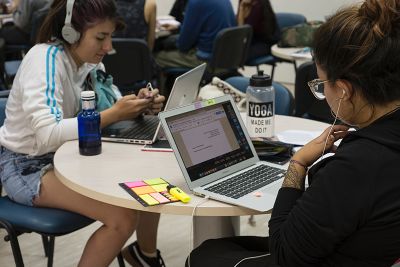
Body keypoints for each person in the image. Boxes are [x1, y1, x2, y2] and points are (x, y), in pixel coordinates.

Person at [186, 0, 400, 266]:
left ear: (344, 90)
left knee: (204, 256)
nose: (322, 94)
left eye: (321, 84)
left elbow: (284, 253)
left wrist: (298, 164)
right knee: (221, 247)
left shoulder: (357, 166)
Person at [0, 0, 167, 267]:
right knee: (122, 218)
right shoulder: (44, 60)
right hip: (27, 166)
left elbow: (109, 109)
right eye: (101, 37)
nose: (108, 47)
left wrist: (139, 106)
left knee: (151, 184)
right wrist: (114, 114)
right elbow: (46, 134)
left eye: (110, 37)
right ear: (70, 33)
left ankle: (145, 255)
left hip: (69, 154)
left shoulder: (89, 64)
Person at [155, 0, 236, 69]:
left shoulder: (196, 2)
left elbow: (183, 45)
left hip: (207, 61)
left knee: (156, 57)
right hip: (226, 59)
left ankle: (165, 87)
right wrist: (180, 27)